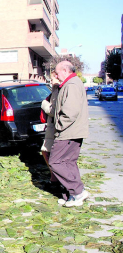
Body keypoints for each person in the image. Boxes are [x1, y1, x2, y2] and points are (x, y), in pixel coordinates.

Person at [49, 60, 89, 207]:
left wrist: (59, 126)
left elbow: (70, 112)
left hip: (68, 132)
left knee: (56, 162)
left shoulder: (71, 85)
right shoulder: (71, 83)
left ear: (65, 71)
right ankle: (72, 196)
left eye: (57, 72)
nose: (56, 75)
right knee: (68, 162)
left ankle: (78, 191)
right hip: (73, 131)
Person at [41, 71, 61, 184]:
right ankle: (54, 177)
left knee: (48, 152)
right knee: (47, 151)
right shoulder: (55, 90)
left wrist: (44, 104)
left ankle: (55, 178)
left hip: (54, 126)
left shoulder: (57, 90)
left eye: (52, 79)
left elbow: (53, 111)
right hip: (52, 126)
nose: (51, 81)